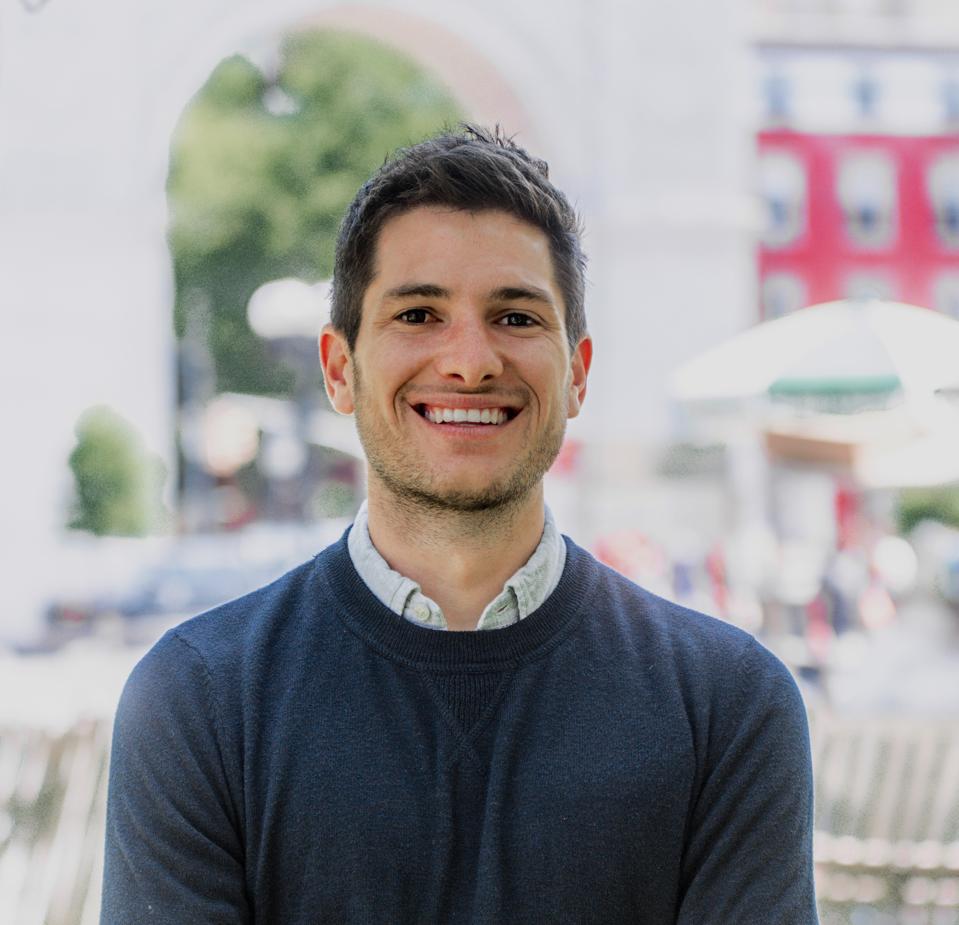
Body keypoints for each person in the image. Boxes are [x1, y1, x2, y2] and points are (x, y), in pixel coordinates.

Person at [101, 125, 819, 924]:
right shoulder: (201, 700)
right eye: (418, 313)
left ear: (577, 373)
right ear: (340, 369)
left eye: (514, 317)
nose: (470, 360)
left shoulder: (725, 704)